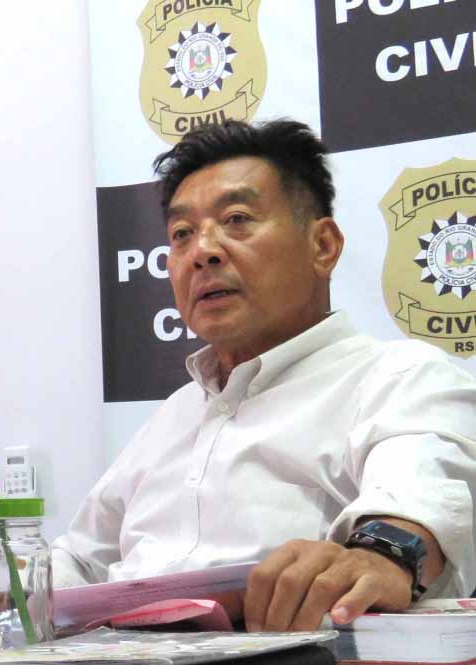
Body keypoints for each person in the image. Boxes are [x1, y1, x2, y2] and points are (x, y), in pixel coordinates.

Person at [52, 119, 476, 632]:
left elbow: (421, 499)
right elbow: (79, 562)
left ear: (323, 246)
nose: (202, 252)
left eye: (236, 220)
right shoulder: (174, 415)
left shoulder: (400, 378)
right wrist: (4, 580)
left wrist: (378, 556)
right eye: (182, 234)